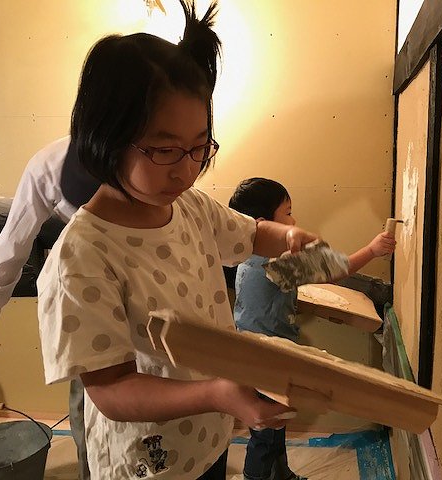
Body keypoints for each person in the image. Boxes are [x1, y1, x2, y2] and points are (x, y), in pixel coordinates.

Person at [36, 1, 318, 479]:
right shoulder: (82, 257)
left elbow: (252, 232)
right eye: (165, 149)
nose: (187, 170)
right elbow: (111, 390)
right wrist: (215, 393)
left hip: (208, 439)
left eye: (199, 147)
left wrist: (289, 236)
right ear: (105, 136)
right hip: (148, 463)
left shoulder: (190, 207)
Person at [228, 177, 396, 480]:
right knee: (265, 433)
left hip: (254, 355)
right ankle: (256, 477)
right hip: (266, 360)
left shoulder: (247, 258)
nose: (294, 221)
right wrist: (372, 250)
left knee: (276, 422)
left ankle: (282, 474)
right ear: (263, 224)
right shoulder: (273, 263)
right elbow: (336, 270)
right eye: (288, 213)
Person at [0, 137, 98, 480]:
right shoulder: (48, 166)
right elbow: (5, 259)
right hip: (89, 290)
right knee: (88, 410)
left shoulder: (155, 156)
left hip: (147, 289)